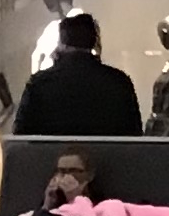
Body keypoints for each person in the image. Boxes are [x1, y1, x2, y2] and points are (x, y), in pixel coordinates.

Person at [10, 13, 142, 137]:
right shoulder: (119, 83)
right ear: (94, 42)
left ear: (61, 43)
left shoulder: (39, 84)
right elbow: (134, 136)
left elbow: (21, 136)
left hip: (50, 155)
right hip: (108, 155)